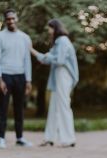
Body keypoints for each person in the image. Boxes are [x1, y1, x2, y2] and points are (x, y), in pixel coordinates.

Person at [30, 19, 79, 147]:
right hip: (58, 75)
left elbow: (60, 60)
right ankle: (49, 137)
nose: (49, 31)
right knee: (54, 107)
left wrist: (47, 56)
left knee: (63, 105)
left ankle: (69, 139)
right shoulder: (58, 43)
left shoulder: (62, 41)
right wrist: (33, 51)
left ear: (55, 28)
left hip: (63, 74)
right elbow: (46, 59)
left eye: (50, 29)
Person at [0, 9, 33, 149]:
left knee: (19, 108)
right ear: (5, 21)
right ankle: (1, 138)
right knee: (2, 108)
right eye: (8, 19)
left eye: (13, 18)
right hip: (5, 76)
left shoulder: (25, 38)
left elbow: (27, 60)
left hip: (20, 77)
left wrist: (28, 80)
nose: (11, 21)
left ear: (17, 19)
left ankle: (20, 137)